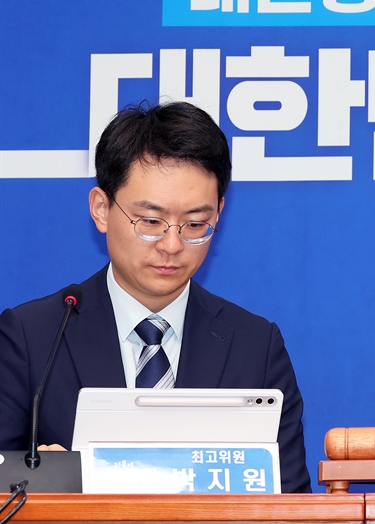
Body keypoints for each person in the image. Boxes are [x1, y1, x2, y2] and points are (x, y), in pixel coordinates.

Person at [0, 101, 311, 493]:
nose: (172, 245)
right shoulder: (31, 338)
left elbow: (291, 502)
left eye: (195, 224)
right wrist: (47, 486)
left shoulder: (255, 346)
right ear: (101, 209)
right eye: (150, 221)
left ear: (219, 213)